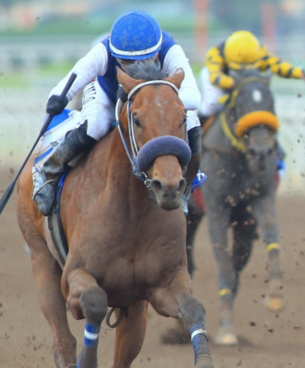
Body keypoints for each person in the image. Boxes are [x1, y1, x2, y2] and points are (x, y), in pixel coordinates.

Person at [33, 10, 202, 216]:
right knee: (95, 125)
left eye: (145, 61)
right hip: (108, 95)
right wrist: (58, 98)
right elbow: (76, 76)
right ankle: (49, 174)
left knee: (192, 122)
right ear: (115, 54)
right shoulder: (103, 50)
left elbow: (194, 96)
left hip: (157, 102)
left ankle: (185, 189)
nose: (135, 69)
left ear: (157, 53)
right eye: (127, 63)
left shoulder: (171, 49)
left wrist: (157, 107)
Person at [198, 30, 305, 122]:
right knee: (212, 104)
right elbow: (215, 78)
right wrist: (232, 83)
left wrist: (300, 74)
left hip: (243, 81)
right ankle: (197, 130)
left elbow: (277, 65)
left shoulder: (259, 52)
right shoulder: (215, 54)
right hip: (219, 79)